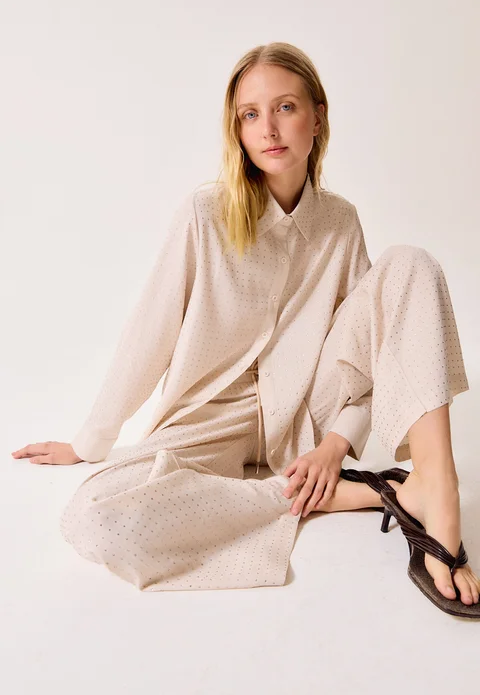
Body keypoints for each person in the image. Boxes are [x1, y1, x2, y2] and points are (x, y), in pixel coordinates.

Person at [12, 42, 480, 612]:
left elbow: (369, 350)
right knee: (94, 517)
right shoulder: (204, 214)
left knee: (410, 263)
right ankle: (355, 495)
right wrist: (90, 442)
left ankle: (437, 489)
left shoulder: (341, 222)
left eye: (285, 107)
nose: (269, 129)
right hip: (210, 418)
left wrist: (336, 446)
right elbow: (149, 334)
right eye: (250, 114)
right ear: (236, 130)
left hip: (305, 415)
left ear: (317, 118)